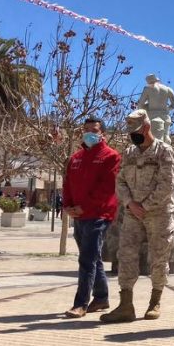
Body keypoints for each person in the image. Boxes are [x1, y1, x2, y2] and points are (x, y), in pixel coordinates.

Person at [101, 109, 174, 323]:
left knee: (159, 257)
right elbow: (120, 181)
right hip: (133, 214)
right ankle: (126, 305)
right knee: (126, 255)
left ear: (146, 127)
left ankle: (155, 301)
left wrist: (144, 205)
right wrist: (130, 204)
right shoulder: (129, 153)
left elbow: (167, 186)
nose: (132, 135)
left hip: (159, 214)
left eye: (136, 130)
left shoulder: (164, 152)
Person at [61, 116, 121, 318]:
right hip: (78, 215)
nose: (89, 133)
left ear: (102, 132)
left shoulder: (111, 156)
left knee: (86, 259)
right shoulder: (75, 158)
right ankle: (102, 297)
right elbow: (68, 184)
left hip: (99, 215)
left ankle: (81, 304)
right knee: (93, 257)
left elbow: (106, 189)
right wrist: (68, 206)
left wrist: (83, 207)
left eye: (94, 129)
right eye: (86, 129)